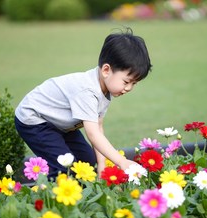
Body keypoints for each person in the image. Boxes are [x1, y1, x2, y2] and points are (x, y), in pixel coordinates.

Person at [14, 27, 152, 179]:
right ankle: (53, 198)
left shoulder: (105, 88)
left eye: (134, 83)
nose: (129, 88)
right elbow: (92, 134)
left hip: (61, 123)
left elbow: (98, 127)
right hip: (35, 119)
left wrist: (101, 165)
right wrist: (121, 161)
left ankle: (85, 197)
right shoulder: (87, 90)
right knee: (64, 166)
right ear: (106, 70)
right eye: (126, 81)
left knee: (88, 163)